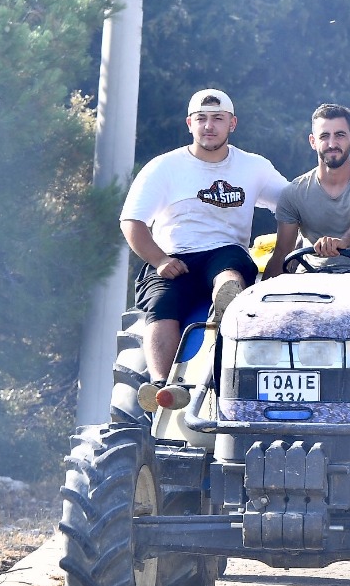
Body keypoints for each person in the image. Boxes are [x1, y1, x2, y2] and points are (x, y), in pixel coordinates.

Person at [120, 88, 289, 410]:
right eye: (202, 119)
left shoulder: (253, 166)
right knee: (162, 303)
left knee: (229, 268)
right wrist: (159, 260)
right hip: (175, 257)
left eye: (217, 119)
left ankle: (227, 306)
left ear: (232, 124)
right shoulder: (164, 167)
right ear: (189, 124)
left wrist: (280, 258)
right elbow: (132, 222)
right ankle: (162, 387)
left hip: (224, 250)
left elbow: (293, 205)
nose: (209, 126)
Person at [264, 103, 350, 312]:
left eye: (340, 135)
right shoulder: (293, 193)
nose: (332, 143)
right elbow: (282, 253)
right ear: (313, 142)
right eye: (324, 136)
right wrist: (260, 298)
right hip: (309, 281)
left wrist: (343, 242)